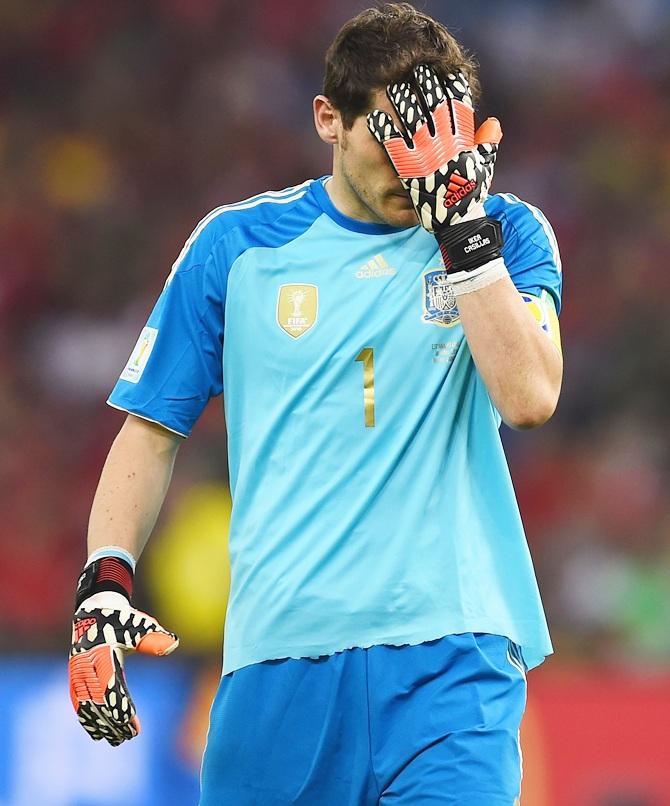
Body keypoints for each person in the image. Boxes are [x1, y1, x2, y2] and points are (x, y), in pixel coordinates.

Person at [68, 3, 563, 803]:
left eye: (438, 137)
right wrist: (104, 583)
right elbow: (151, 429)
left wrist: (461, 230)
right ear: (328, 119)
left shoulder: (504, 232)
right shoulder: (237, 247)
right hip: (280, 663)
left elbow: (531, 398)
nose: (417, 167)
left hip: (452, 659)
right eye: (393, 136)